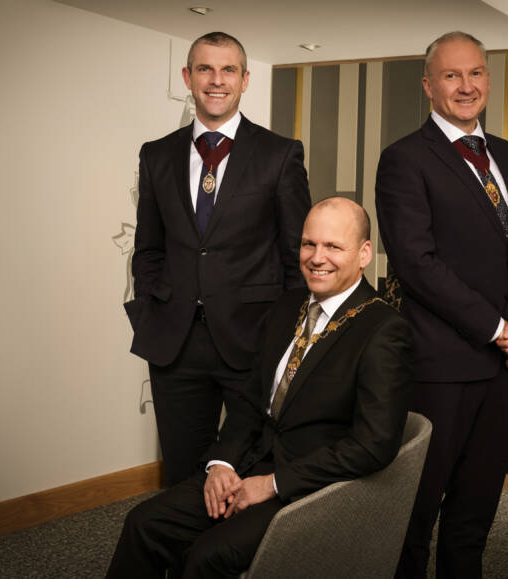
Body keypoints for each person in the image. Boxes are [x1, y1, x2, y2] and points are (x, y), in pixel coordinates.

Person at [107, 197, 412, 578]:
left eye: (333, 246)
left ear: (364, 253)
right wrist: (222, 464)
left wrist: (273, 484)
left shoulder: (384, 330)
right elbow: (250, 400)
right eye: (308, 244)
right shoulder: (286, 307)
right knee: (144, 523)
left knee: (206, 556)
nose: (317, 257)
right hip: (247, 464)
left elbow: (373, 445)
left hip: (312, 488)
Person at [375, 31, 508, 578]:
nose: (465, 85)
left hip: (506, 366)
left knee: (474, 518)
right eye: (451, 75)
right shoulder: (405, 159)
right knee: (414, 517)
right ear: (429, 85)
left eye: (475, 73)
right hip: (441, 368)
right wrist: (496, 325)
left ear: (489, 80)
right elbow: (416, 263)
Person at [124, 32, 311, 486]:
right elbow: (148, 249)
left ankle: (236, 559)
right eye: (205, 69)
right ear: (188, 77)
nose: (216, 80)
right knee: (184, 473)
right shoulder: (157, 155)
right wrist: (152, 309)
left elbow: (296, 256)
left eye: (228, 70)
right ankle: (182, 559)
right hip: (175, 343)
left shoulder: (279, 154)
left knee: (254, 464)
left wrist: (285, 335)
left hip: (254, 339)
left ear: (245, 80)